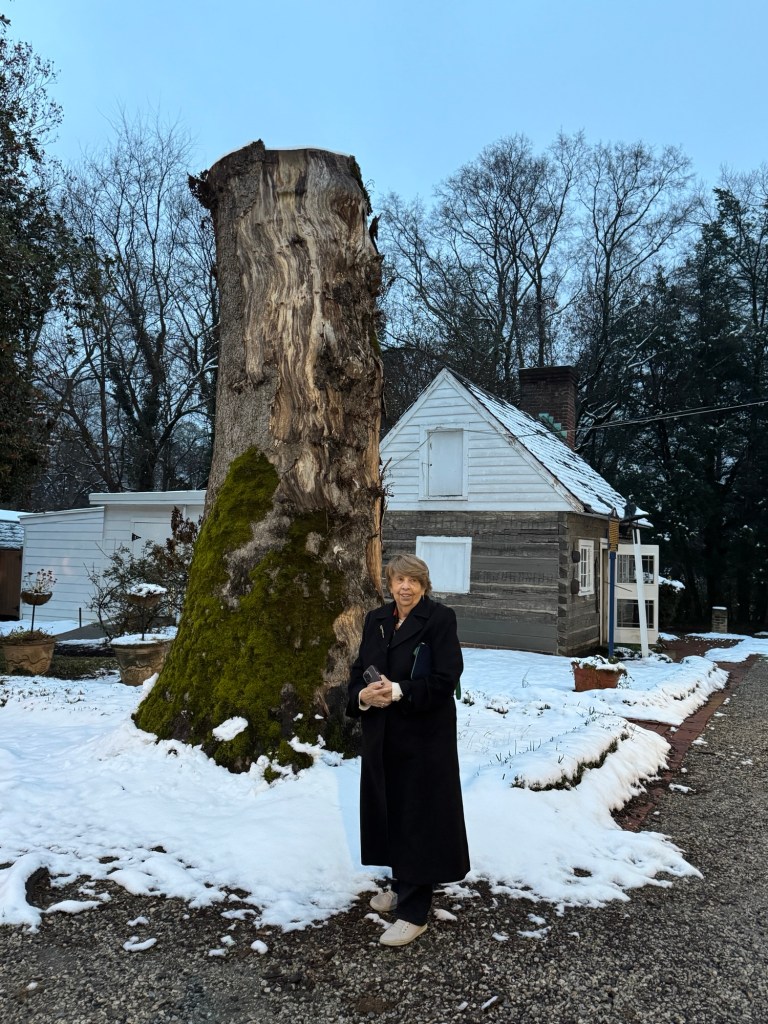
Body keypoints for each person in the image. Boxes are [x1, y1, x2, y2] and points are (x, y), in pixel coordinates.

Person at [346, 553, 470, 947]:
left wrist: (399, 691)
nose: (405, 587)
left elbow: (447, 677)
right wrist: (362, 696)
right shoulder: (377, 619)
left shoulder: (439, 619)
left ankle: (414, 913)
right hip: (382, 734)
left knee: (418, 817)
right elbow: (358, 671)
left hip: (423, 737)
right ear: (389, 583)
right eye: (399, 580)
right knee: (391, 812)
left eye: (413, 581)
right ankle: (402, 886)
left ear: (424, 585)